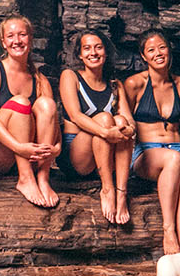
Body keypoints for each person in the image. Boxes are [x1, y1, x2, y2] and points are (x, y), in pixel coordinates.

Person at [123, 30, 180, 254]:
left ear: (169, 50)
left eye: (162, 47)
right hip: (146, 152)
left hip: (177, 146)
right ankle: (168, 230)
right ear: (144, 56)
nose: (158, 53)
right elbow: (124, 121)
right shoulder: (134, 84)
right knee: (174, 159)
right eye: (151, 50)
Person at [0, 15, 60, 208]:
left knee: (47, 104)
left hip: (33, 157)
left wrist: (56, 148)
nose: (17, 41)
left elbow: (53, 125)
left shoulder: (40, 80)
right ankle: (25, 178)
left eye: (22, 35)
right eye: (11, 36)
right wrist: (18, 147)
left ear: (30, 39)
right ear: (3, 42)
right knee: (21, 102)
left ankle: (43, 179)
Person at [58, 31, 136, 224]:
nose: (93, 52)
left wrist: (128, 130)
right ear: (80, 55)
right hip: (77, 157)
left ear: (106, 52)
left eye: (98, 47)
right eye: (87, 48)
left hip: (106, 157)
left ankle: (121, 192)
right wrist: (106, 132)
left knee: (121, 121)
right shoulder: (70, 76)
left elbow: (129, 120)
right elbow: (75, 115)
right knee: (105, 118)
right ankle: (107, 189)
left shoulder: (115, 85)